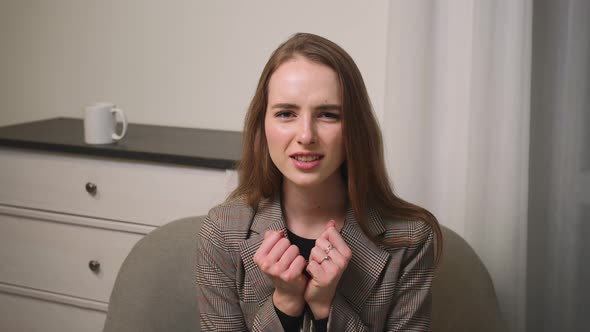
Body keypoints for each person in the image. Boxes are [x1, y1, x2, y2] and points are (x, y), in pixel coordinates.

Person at [196, 32, 442, 332]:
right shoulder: (222, 232)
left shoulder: (412, 239)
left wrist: (327, 308)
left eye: (327, 115)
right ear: (263, 125)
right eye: (286, 113)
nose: (306, 135)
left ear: (354, 128)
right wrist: (284, 304)